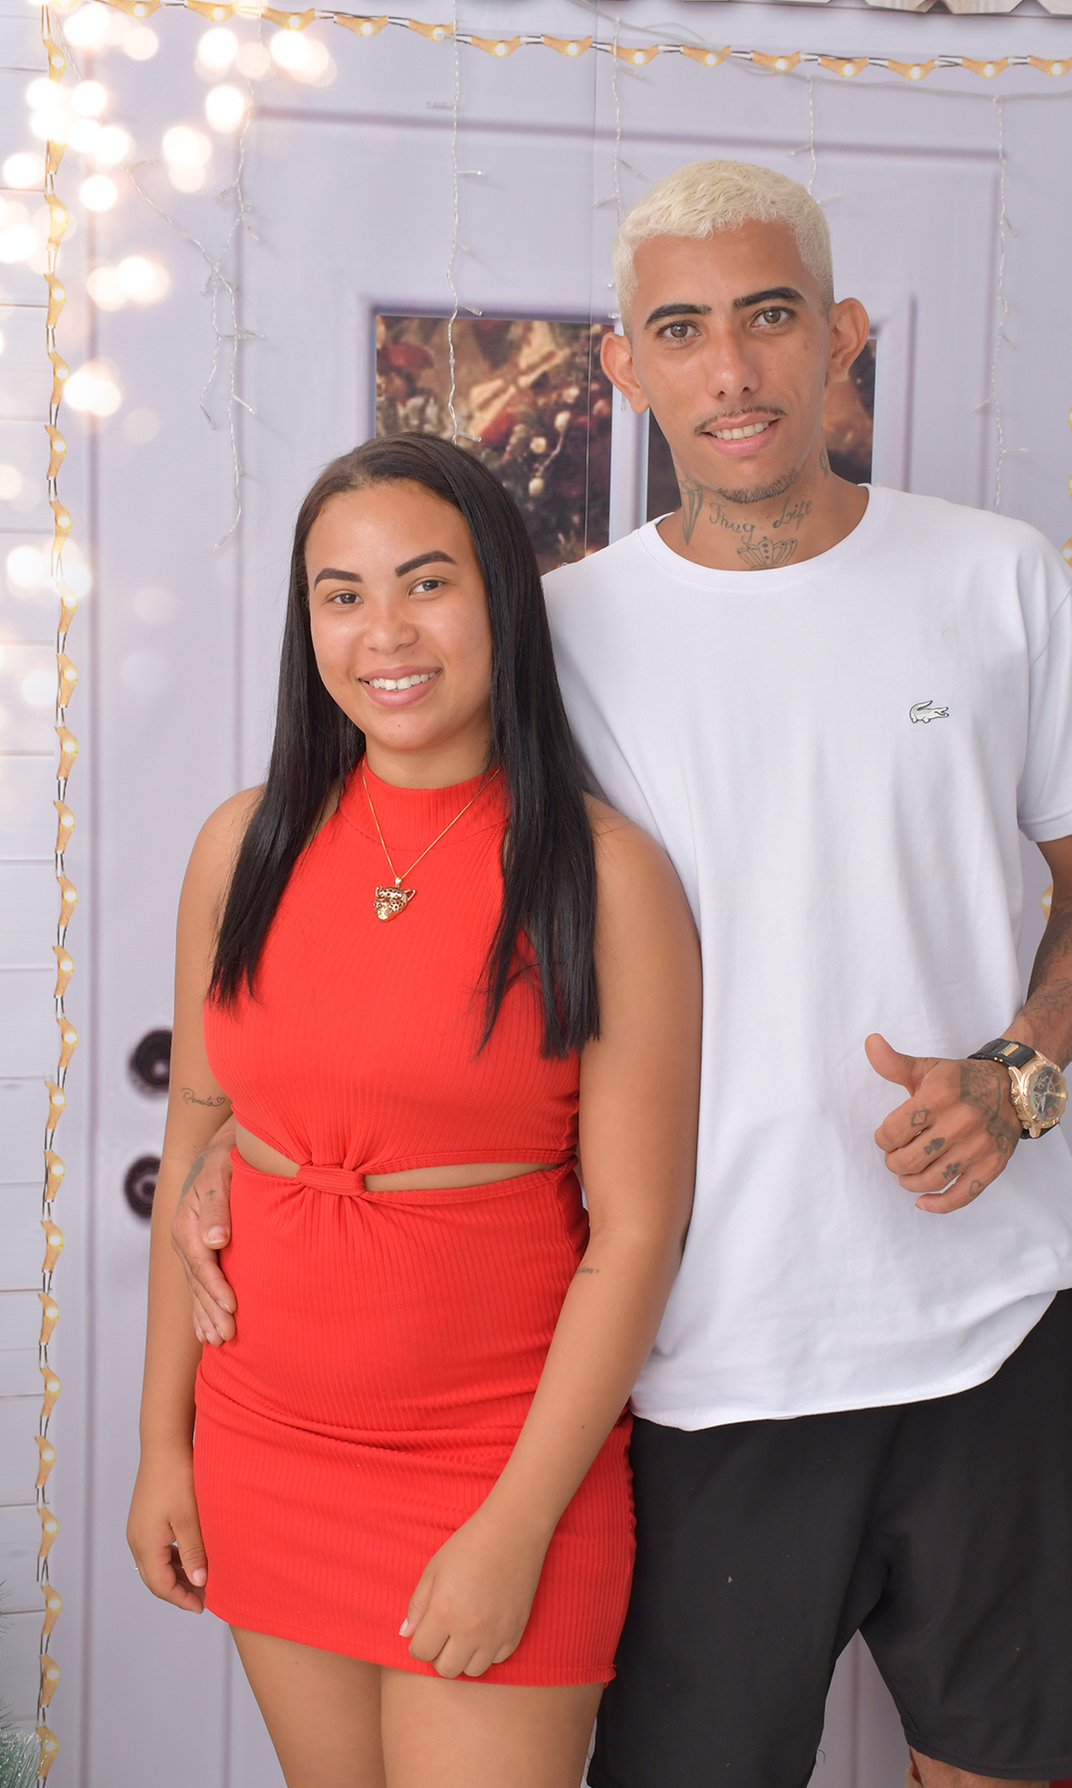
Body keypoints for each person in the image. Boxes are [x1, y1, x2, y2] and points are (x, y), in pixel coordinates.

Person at [172, 163, 1072, 1788]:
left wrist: (1018, 1074)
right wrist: (245, 1133)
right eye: (684, 330)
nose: (734, 368)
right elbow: (388, 891)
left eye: (771, 316)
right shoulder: (555, 633)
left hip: (994, 1322)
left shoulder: (996, 579)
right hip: (701, 1358)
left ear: (841, 335)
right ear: (624, 366)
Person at [126, 434, 701, 1788]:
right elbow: (196, 1137)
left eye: (426, 583)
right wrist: (162, 1445)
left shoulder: (602, 875)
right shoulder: (243, 846)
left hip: (497, 1464)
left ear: (500, 599)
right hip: (266, 1446)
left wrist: (517, 1526)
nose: (383, 632)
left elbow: (636, 1233)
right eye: (341, 594)